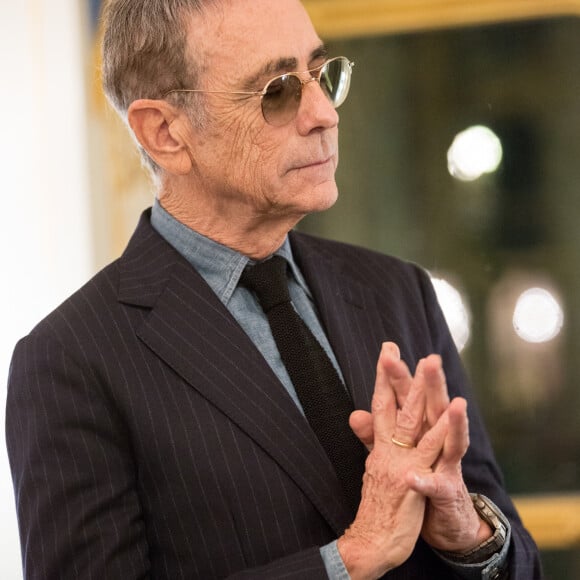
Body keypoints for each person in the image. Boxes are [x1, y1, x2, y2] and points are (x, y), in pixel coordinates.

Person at [6, 0, 542, 578]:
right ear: (165, 133)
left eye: (322, 73)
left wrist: (466, 533)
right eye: (279, 90)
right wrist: (348, 560)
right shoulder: (70, 360)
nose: (324, 114)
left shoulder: (397, 289)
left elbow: (520, 564)